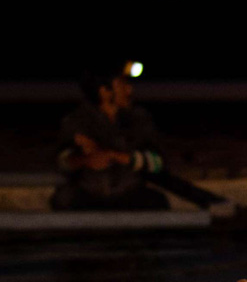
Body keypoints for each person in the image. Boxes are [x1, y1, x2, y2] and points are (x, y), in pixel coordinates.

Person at [53, 64, 170, 210]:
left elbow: (159, 162)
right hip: (88, 194)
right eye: (122, 85)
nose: (129, 89)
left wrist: (118, 156)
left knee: (157, 202)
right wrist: (84, 160)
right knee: (63, 199)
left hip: (131, 193)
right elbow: (61, 160)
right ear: (104, 92)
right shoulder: (77, 120)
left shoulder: (139, 119)